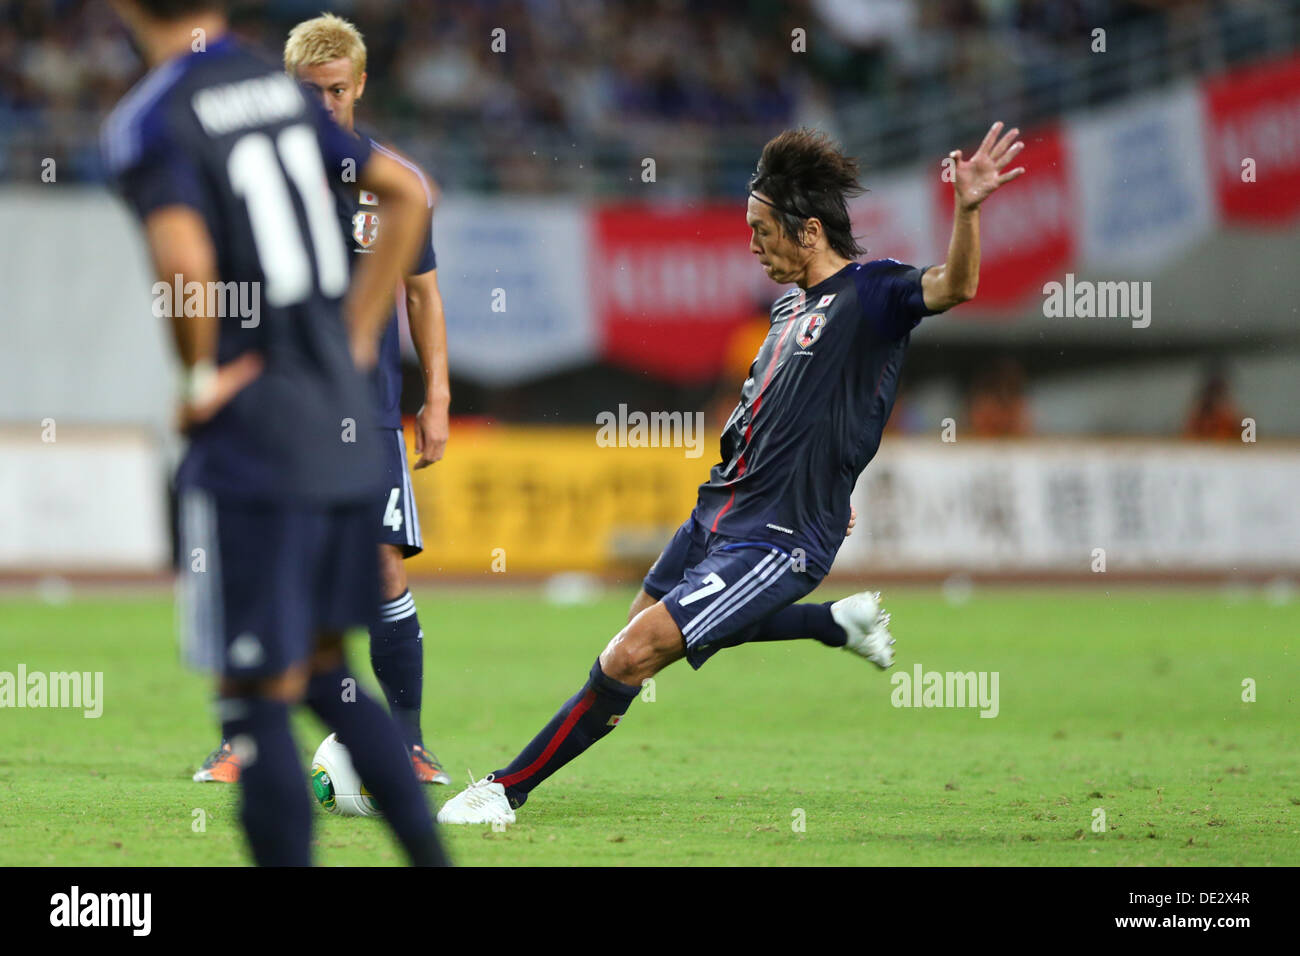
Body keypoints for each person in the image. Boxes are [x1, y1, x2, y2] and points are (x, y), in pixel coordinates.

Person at [438, 122, 1025, 823]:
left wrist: (967, 209)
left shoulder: (873, 294)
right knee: (639, 631)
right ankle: (833, 625)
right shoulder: (784, 308)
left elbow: (955, 285)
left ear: (809, 232)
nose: (751, 244)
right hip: (716, 513)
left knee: (632, 655)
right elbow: (781, 411)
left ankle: (504, 790)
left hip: (777, 533)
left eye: (761, 229)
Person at [104, 0, 447, 864]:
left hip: (259, 426)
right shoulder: (271, 87)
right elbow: (409, 193)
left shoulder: (153, 116)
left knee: (253, 688)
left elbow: (184, 262)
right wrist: (354, 338)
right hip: (338, 418)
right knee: (329, 671)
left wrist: (197, 378)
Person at [194, 11, 453, 787]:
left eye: (337, 90)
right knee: (268, 568)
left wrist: (436, 395)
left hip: (366, 415)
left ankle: (406, 741)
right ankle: (248, 743)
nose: (324, 104)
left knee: (381, 568)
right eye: (310, 92)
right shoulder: (253, 179)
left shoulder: (394, 186)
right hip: (274, 412)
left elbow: (422, 297)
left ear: (361, 84)